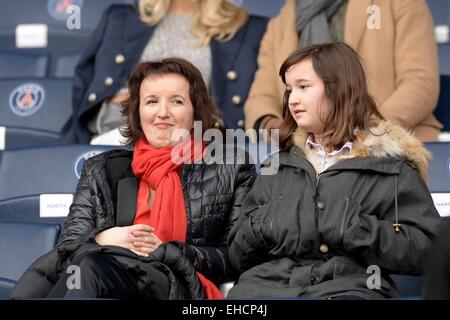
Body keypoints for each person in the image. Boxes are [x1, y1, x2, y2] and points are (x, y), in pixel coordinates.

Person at [11, 58, 256, 299]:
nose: (162, 112)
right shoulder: (102, 169)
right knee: (85, 265)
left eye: (176, 101)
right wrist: (101, 239)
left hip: (181, 284)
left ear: (196, 112)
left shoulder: (231, 168)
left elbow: (237, 258)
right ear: (137, 113)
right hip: (105, 280)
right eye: (151, 101)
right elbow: (68, 245)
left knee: (88, 267)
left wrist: (164, 251)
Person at [227, 43, 441, 300]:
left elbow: (427, 250)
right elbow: (237, 254)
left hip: (350, 289)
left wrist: (354, 228)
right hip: (265, 289)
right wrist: (264, 223)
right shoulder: (278, 166)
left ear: (338, 89)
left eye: (304, 87)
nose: (293, 99)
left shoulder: (393, 167)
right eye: (289, 89)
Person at [61, 0, 268, 144]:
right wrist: (118, 102)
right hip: (123, 133)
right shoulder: (119, 18)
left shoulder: (249, 28)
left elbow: (257, 100)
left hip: (197, 142)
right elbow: (86, 89)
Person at [244, 0, 442, 141]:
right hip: (307, 153)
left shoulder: (402, 3)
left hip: (389, 146)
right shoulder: (281, 21)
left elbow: (420, 82)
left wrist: (366, 130)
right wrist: (274, 127)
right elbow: (261, 97)